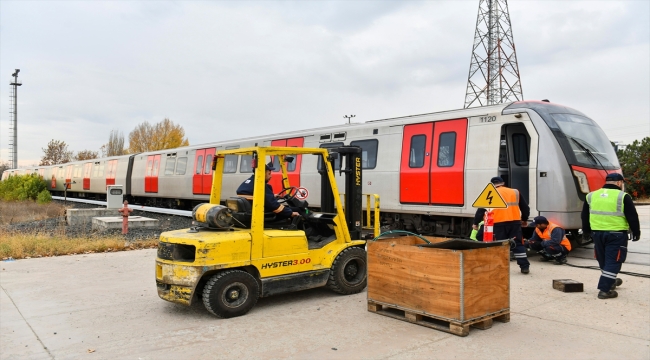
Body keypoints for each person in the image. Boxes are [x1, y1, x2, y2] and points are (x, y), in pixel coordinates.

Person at [582, 173, 640, 300]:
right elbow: (632, 216)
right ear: (619, 183)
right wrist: (636, 232)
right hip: (616, 234)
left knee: (602, 259)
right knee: (614, 261)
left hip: (597, 233)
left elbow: (584, 215)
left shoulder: (591, 196)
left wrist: (586, 232)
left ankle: (610, 280)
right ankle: (605, 289)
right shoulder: (623, 196)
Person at [490, 176, 531, 274]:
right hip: (514, 223)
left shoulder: (491, 192)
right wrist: (524, 219)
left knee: (500, 245)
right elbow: (525, 208)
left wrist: (475, 223)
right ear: (503, 183)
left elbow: (481, 210)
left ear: (492, 184)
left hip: (498, 223)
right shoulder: (515, 192)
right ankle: (524, 267)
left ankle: (501, 268)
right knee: (517, 243)